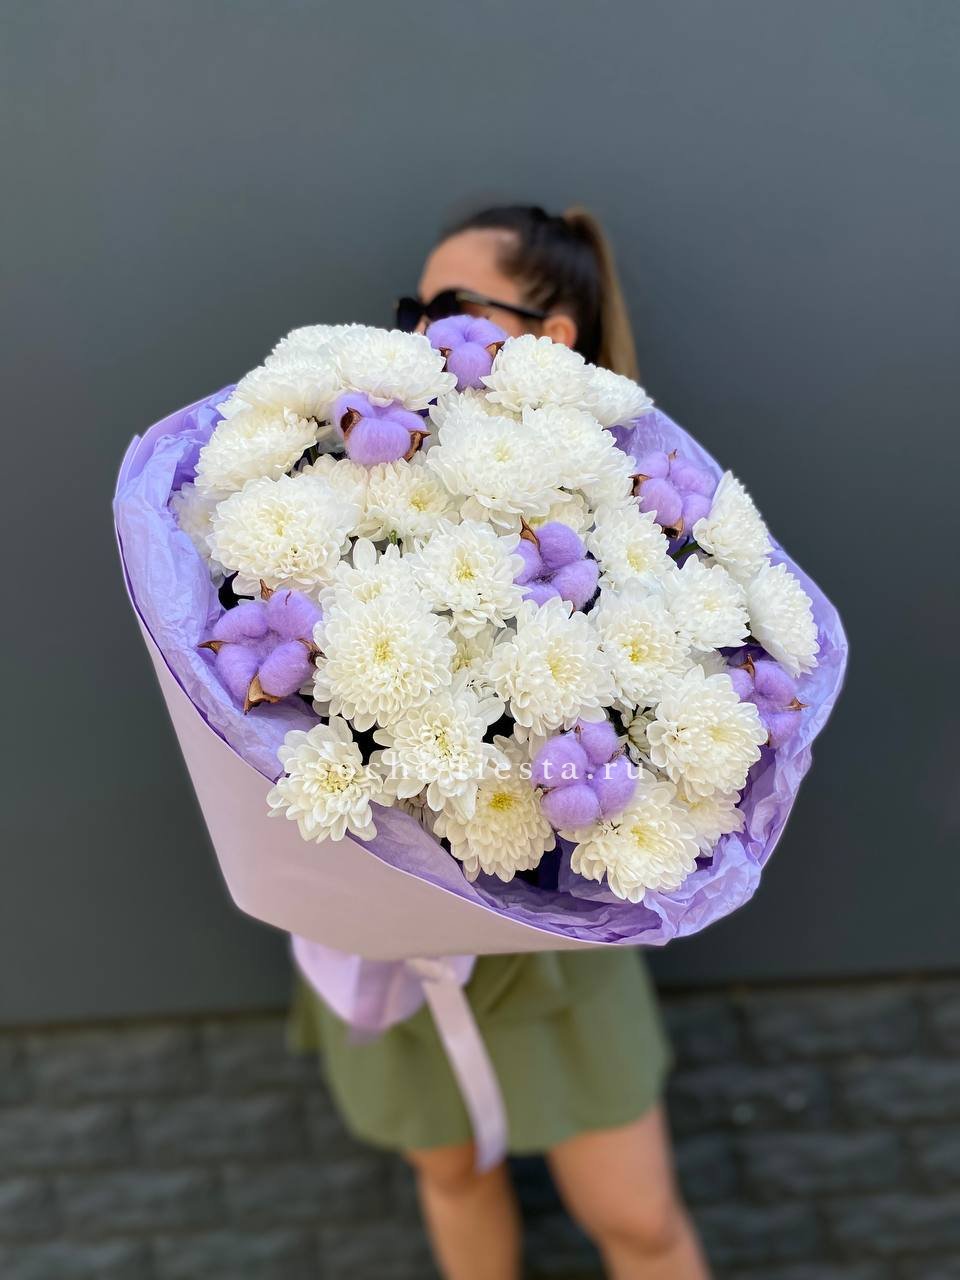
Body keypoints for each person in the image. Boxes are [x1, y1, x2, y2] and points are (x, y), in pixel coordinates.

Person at [291, 204, 710, 1280]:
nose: (419, 332)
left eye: (450, 307)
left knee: (640, 1220)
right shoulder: (355, 462)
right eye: (412, 307)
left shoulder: (624, 504)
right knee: (450, 1177)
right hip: (388, 922)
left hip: (550, 930)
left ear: (548, 336)